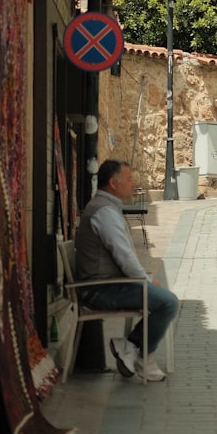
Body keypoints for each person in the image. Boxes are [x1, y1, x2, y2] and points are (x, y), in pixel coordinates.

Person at [75, 159, 180, 382]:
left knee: (163, 299)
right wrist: (145, 280)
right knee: (168, 302)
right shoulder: (104, 212)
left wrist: (144, 279)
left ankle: (131, 348)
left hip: (106, 284)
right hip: (100, 290)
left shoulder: (106, 207)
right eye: (129, 179)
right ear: (113, 183)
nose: (133, 184)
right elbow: (124, 256)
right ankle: (139, 355)